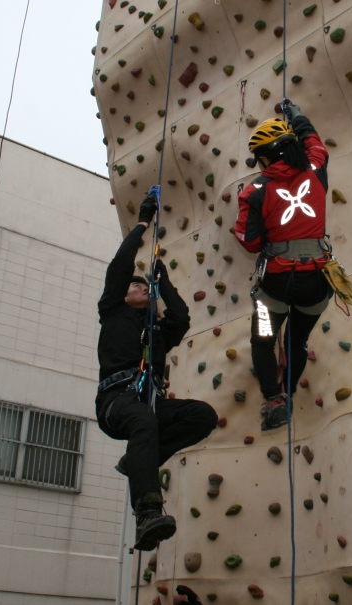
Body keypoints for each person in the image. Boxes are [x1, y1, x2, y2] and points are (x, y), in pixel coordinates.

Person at [95, 192, 217, 551]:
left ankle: (138, 461)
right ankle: (147, 510)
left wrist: (164, 285)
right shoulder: (112, 312)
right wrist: (143, 224)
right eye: (137, 286)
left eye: (144, 286)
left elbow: (180, 318)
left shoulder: (157, 331)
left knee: (202, 417)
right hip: (116, 402)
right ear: (122, 295)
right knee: (144, 423)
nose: (141, 288)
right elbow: (120, 266)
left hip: (147, 404)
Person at [234, 100, 333, 431]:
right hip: (317, 283)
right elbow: (315, 143)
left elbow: (248, 241)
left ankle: (274, 401)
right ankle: (287, 393)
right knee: (297, 340)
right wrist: (298, 117)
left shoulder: (255, 190)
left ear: (265, 156)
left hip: (274, 288)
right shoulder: (316, 170)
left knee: (263, 338)